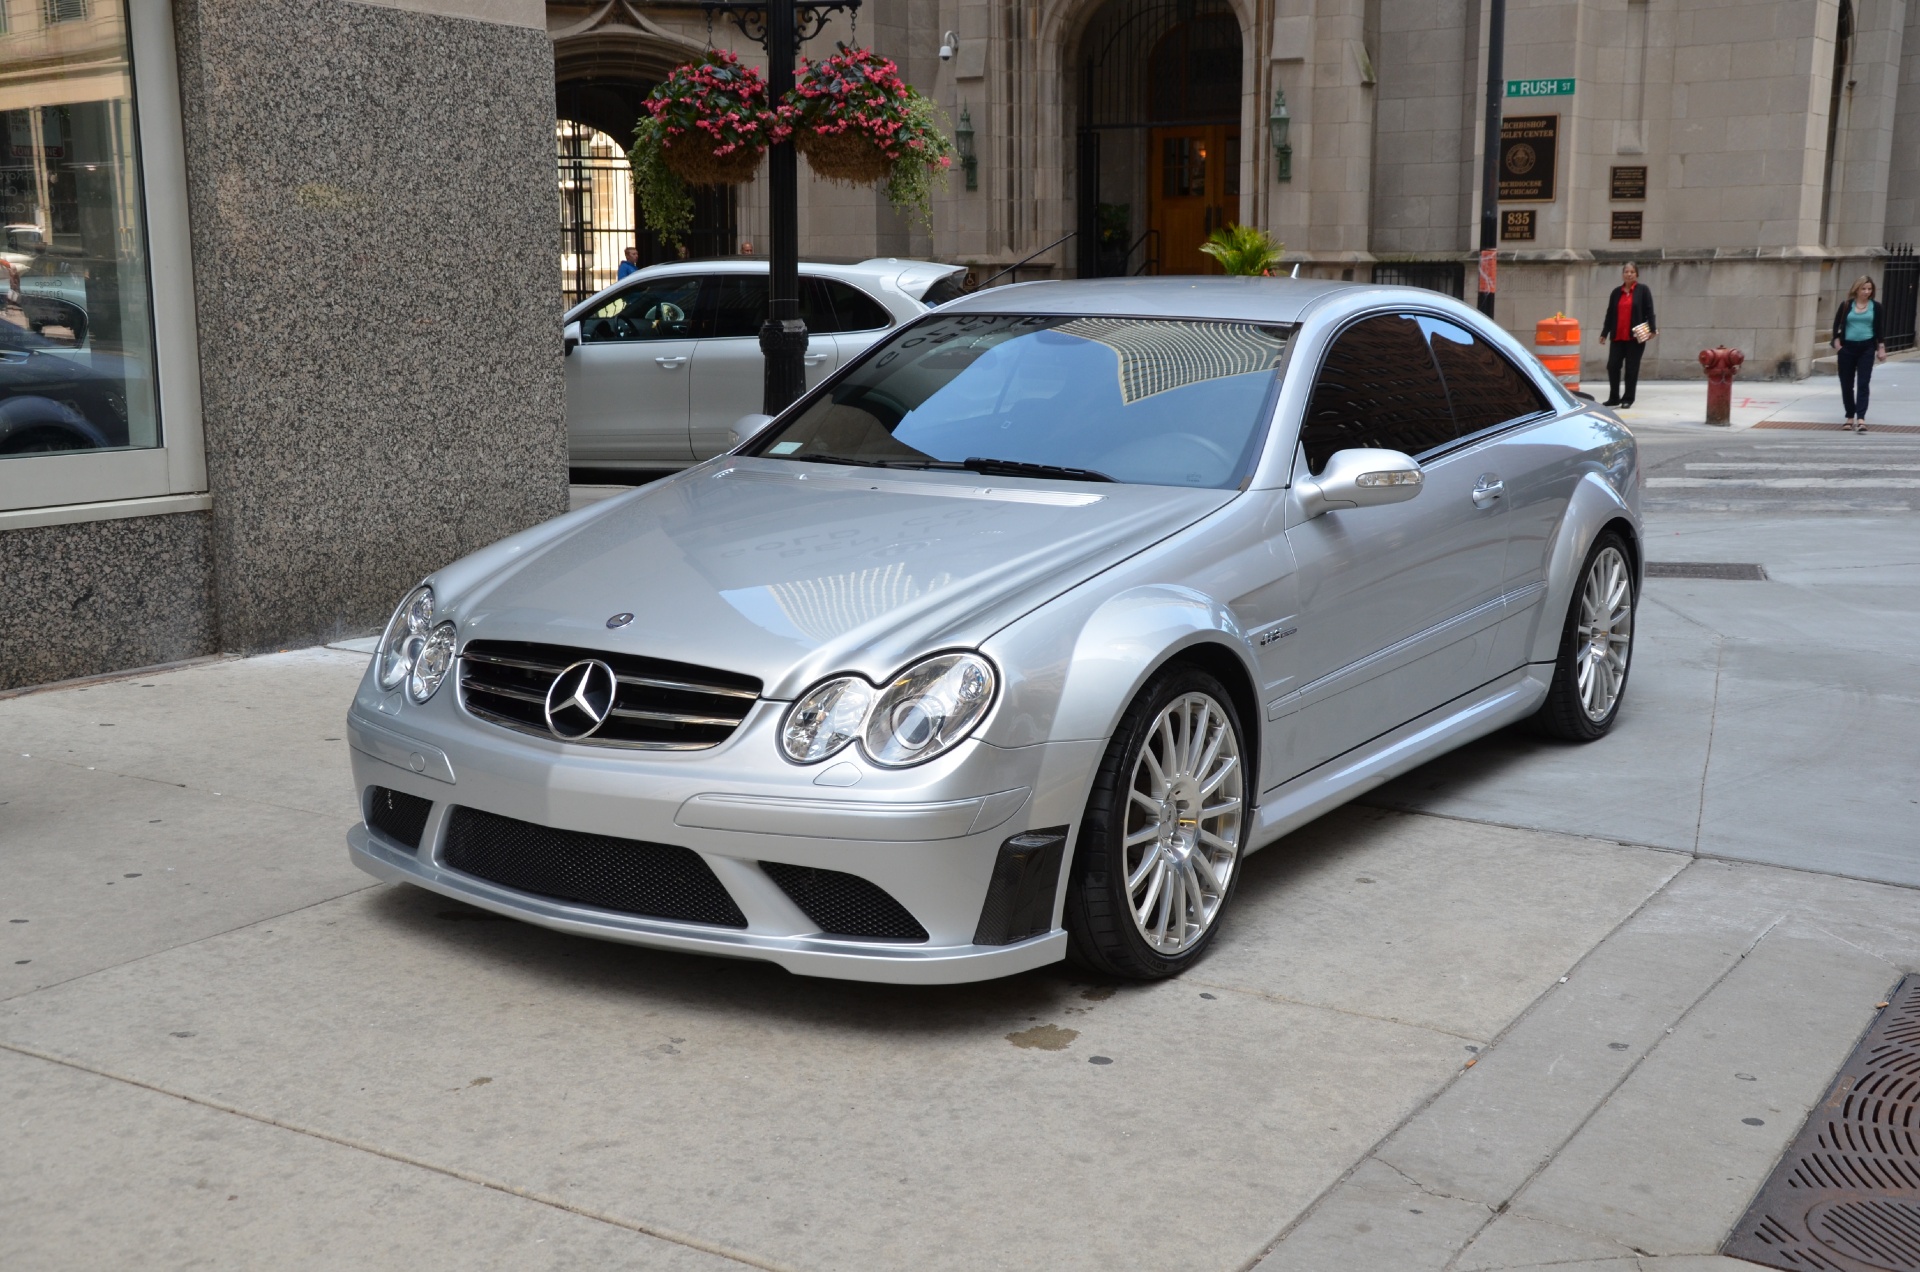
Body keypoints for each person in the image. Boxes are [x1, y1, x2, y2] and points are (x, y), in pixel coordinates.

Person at [1830, 275, 1888, 433]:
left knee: (1863, 383)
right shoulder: (1846, 305)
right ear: (1856, 289)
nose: (1867, 292)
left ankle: (1861, 418)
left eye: (1869, 289)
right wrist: (1837, 344)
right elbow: (1836, 326)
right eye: (1864, 288)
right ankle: (1850, 416)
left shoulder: (1876, 307)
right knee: (1846, 384)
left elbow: (1879, 329)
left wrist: (1881, 347)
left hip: (1867, 348)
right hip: (1847, 348)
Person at [1598, 262, 1657, 409]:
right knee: (1612, 366)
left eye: (1632, 272)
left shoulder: (1643, 290)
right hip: (1617, 336)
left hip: (1635, 338)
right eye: (1626, 271)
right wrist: (1605, 332)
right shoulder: (1616, 292)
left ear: (1636, 274)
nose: (1629, 274)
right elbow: (1610, 314)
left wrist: (1653, 329)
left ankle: (1628, 399)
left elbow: (1649, 311)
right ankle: (1614, 397)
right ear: (1622, 274)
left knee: (1631, 368)